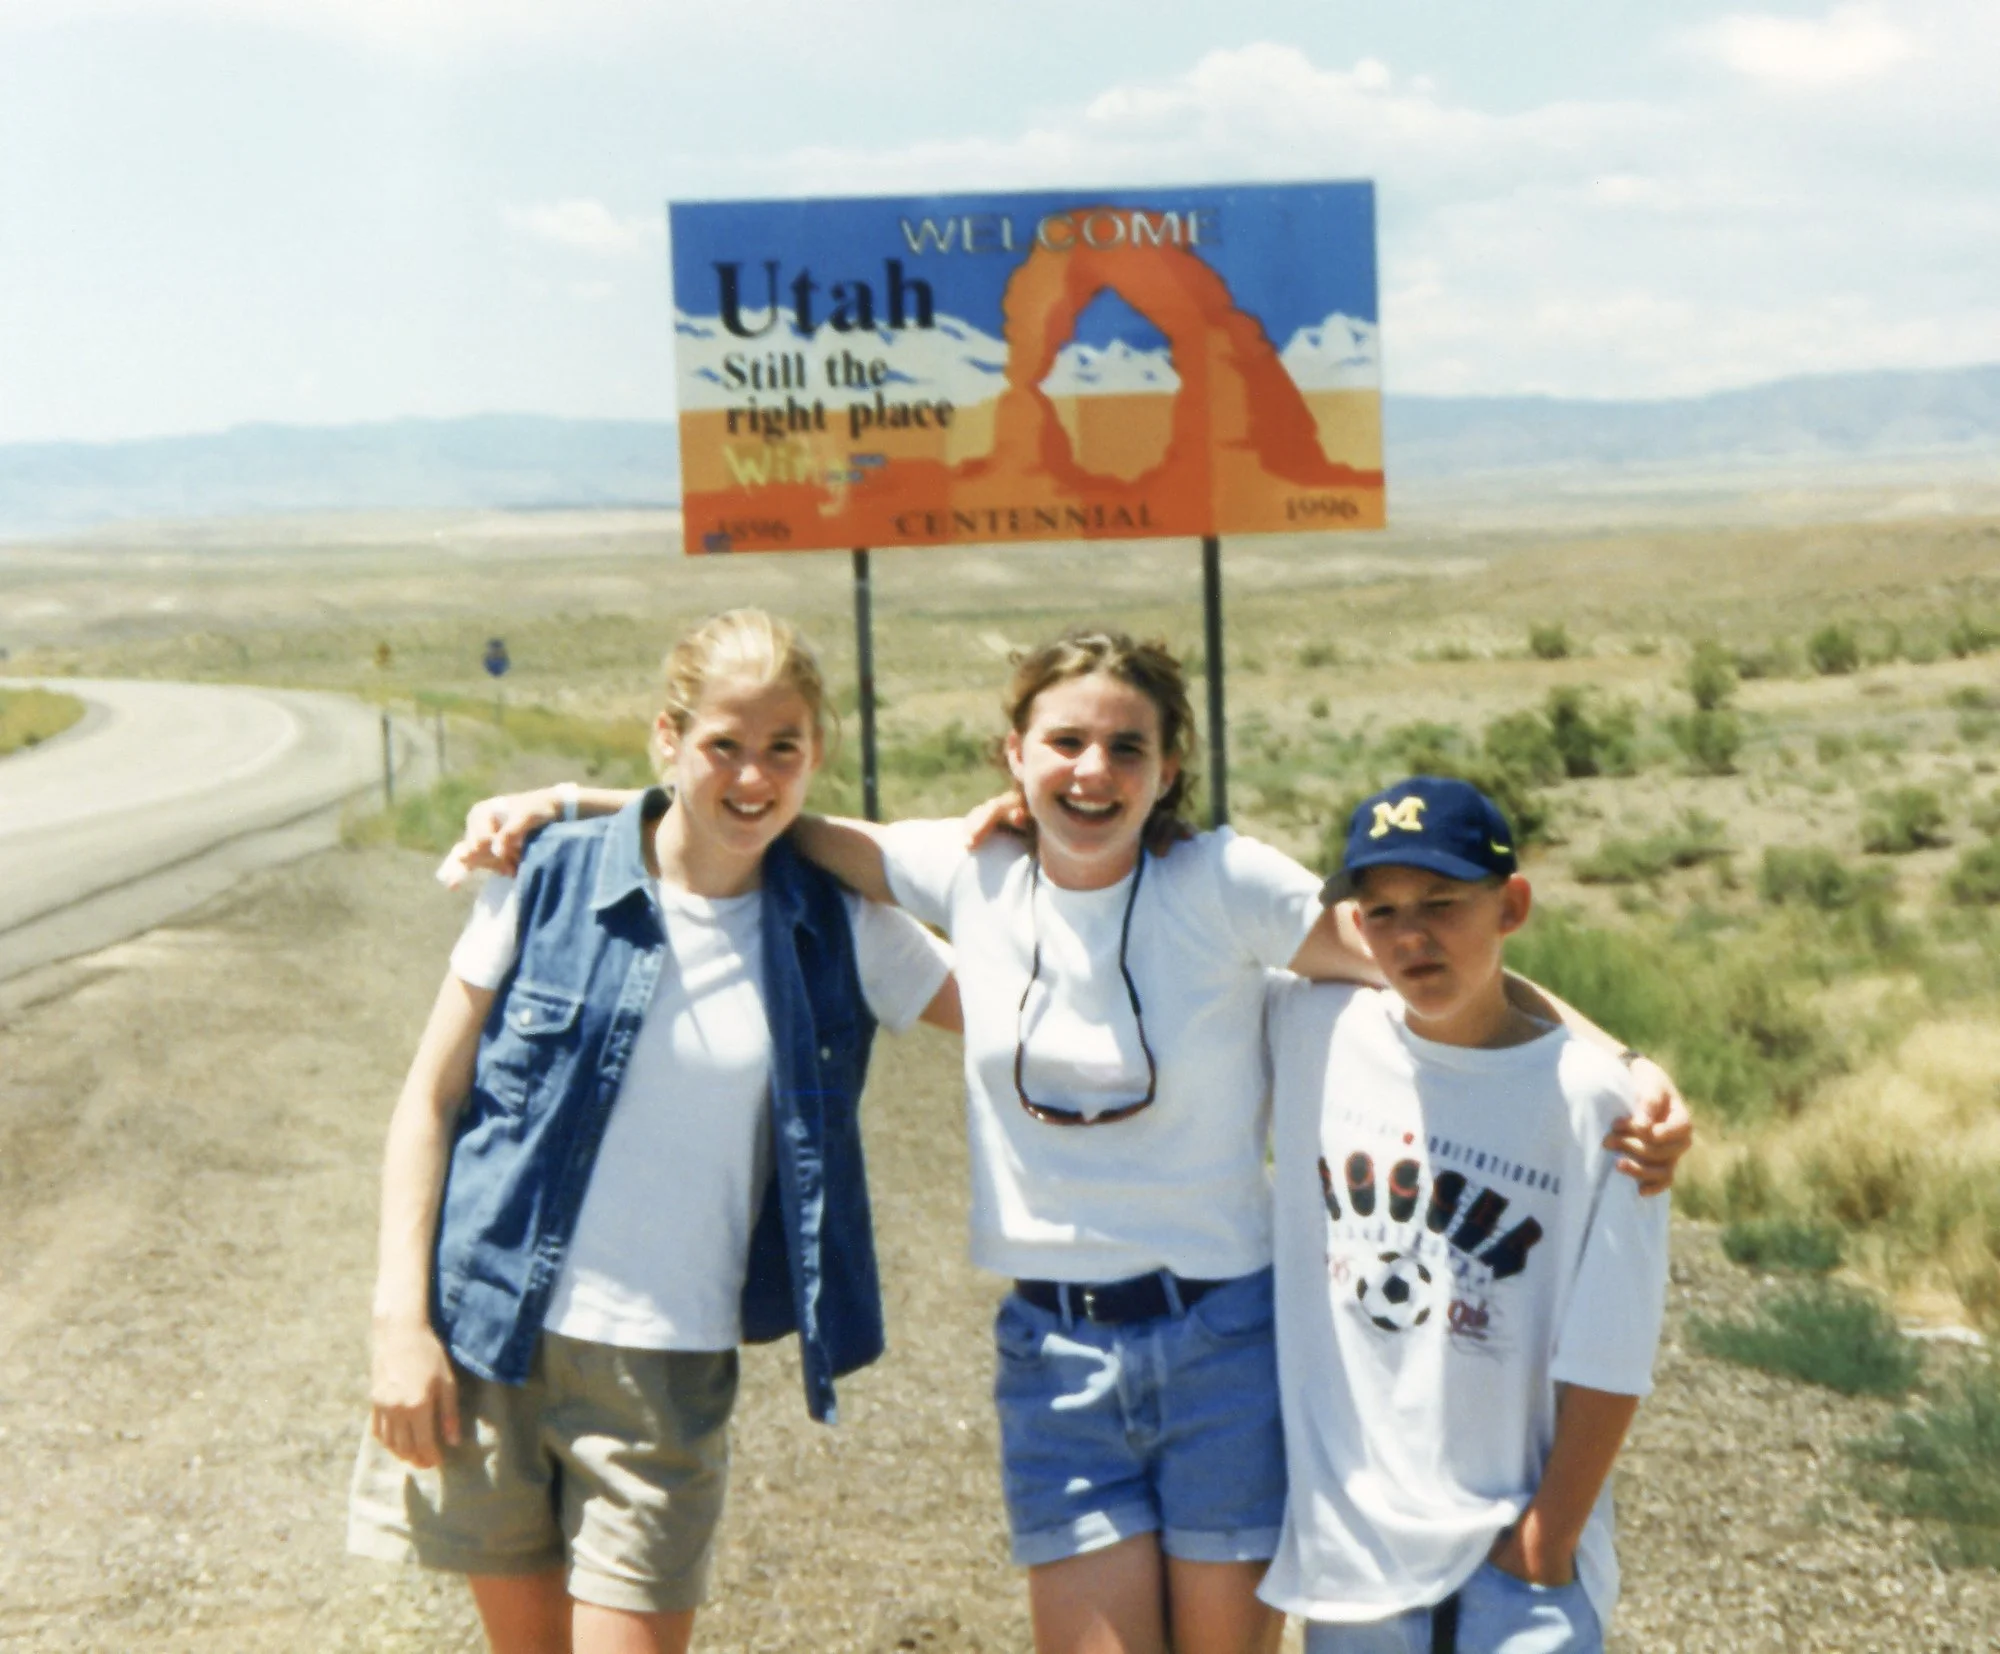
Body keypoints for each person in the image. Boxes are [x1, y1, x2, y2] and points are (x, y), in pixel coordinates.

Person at [455, 627, 1689, 1654]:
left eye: (1125, 746)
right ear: (1014, 754)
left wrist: (1624, 1068)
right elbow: (754, 814)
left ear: (1166, 768)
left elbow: (1436, 967)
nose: (1091, 769)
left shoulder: (1229, 884)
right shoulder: (966, 870)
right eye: (1065, 741)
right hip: (1056, 1352)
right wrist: (571, 801)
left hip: (1225, 1345)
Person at [346, 609, 958, 1654]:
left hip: (661, 1379)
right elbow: (429, 1103)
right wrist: (399, 1327)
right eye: (724, 743)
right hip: (487, 1339)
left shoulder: (840, 927)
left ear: (816, 758)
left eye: (783, 750)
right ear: (666, 739)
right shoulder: (546, 878)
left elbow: (1038, 1024)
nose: (753, 776)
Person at [1260, 776, 1671, 1653]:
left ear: (1511, 905)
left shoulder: (1596, 1106)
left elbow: (1614, 1347)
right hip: (1360, 1555)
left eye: (1443, 903)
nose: (1411, 936)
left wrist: (1546, 1538)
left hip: (1519, 1553)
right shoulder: (1313, 1032)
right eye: (1381, 911)